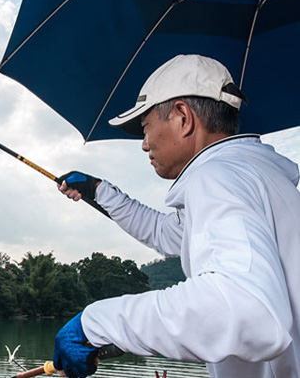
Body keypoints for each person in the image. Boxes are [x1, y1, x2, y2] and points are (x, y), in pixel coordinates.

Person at [53, 54, 300, 378]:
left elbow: (247, 308)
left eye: (145, 127)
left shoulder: (217, 176)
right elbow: (168, 233)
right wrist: (99, 190)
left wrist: (96, 324)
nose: (144, 145)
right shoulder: (250, 174)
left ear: (183, 117)